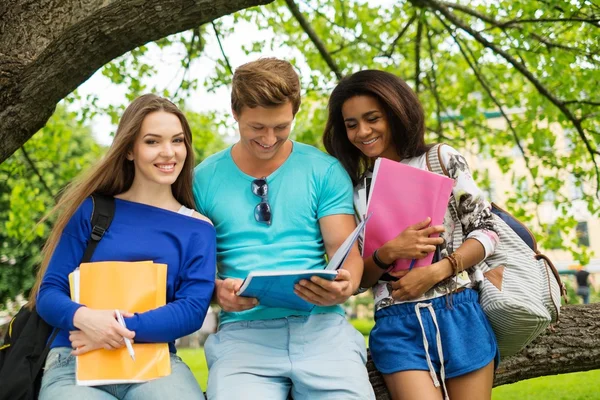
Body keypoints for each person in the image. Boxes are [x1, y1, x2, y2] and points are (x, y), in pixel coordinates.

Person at [193, 58, 375, 400]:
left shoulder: (323, 170)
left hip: (322, 328)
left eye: (281, 126)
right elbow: (194, 270)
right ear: (235, 111)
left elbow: (347, 254)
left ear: (295, 112)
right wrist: (218, 292)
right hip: (244, 336)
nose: (269, 138)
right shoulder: (203, 178)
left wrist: (346, 284)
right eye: (256, 127)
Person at [323, 70, 500, 400]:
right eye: (351, 124)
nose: (362, 132)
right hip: (396, 323)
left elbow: (487, 233)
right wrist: (387, 252)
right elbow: (359, 280)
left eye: (372, 118)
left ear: (395, 111)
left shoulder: (439, 159)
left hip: (458, 310)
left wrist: (438, 271)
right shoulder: (355, 191)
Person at [32, 94, 216, 399]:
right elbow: (49, 293)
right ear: (130, 150)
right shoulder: (91, 212)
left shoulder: (198, 229)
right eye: (153, 142)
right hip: (74, 357)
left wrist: (113, 329)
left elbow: (192, 310)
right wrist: (87, 320)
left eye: (178, 140)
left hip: (155, 363)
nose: (168, 152)